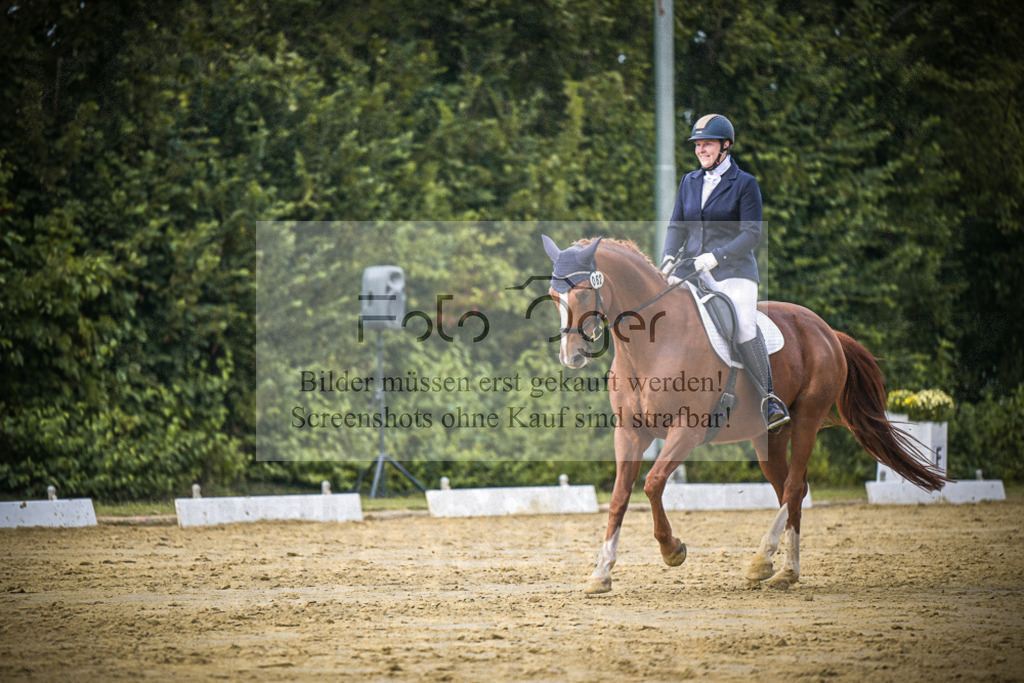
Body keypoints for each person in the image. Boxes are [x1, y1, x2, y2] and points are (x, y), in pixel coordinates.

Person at [660, 113, 790, 433]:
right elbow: (677, 225)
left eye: (707, 144)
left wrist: (716, 258)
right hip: (692, 270)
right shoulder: (689, 181)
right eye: (698, 145)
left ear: (725, 146)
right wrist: (665, 258)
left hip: (734, 271)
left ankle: (769, 399)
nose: (701, 150)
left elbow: (751, 235)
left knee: (743, 324)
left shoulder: (745, 184)